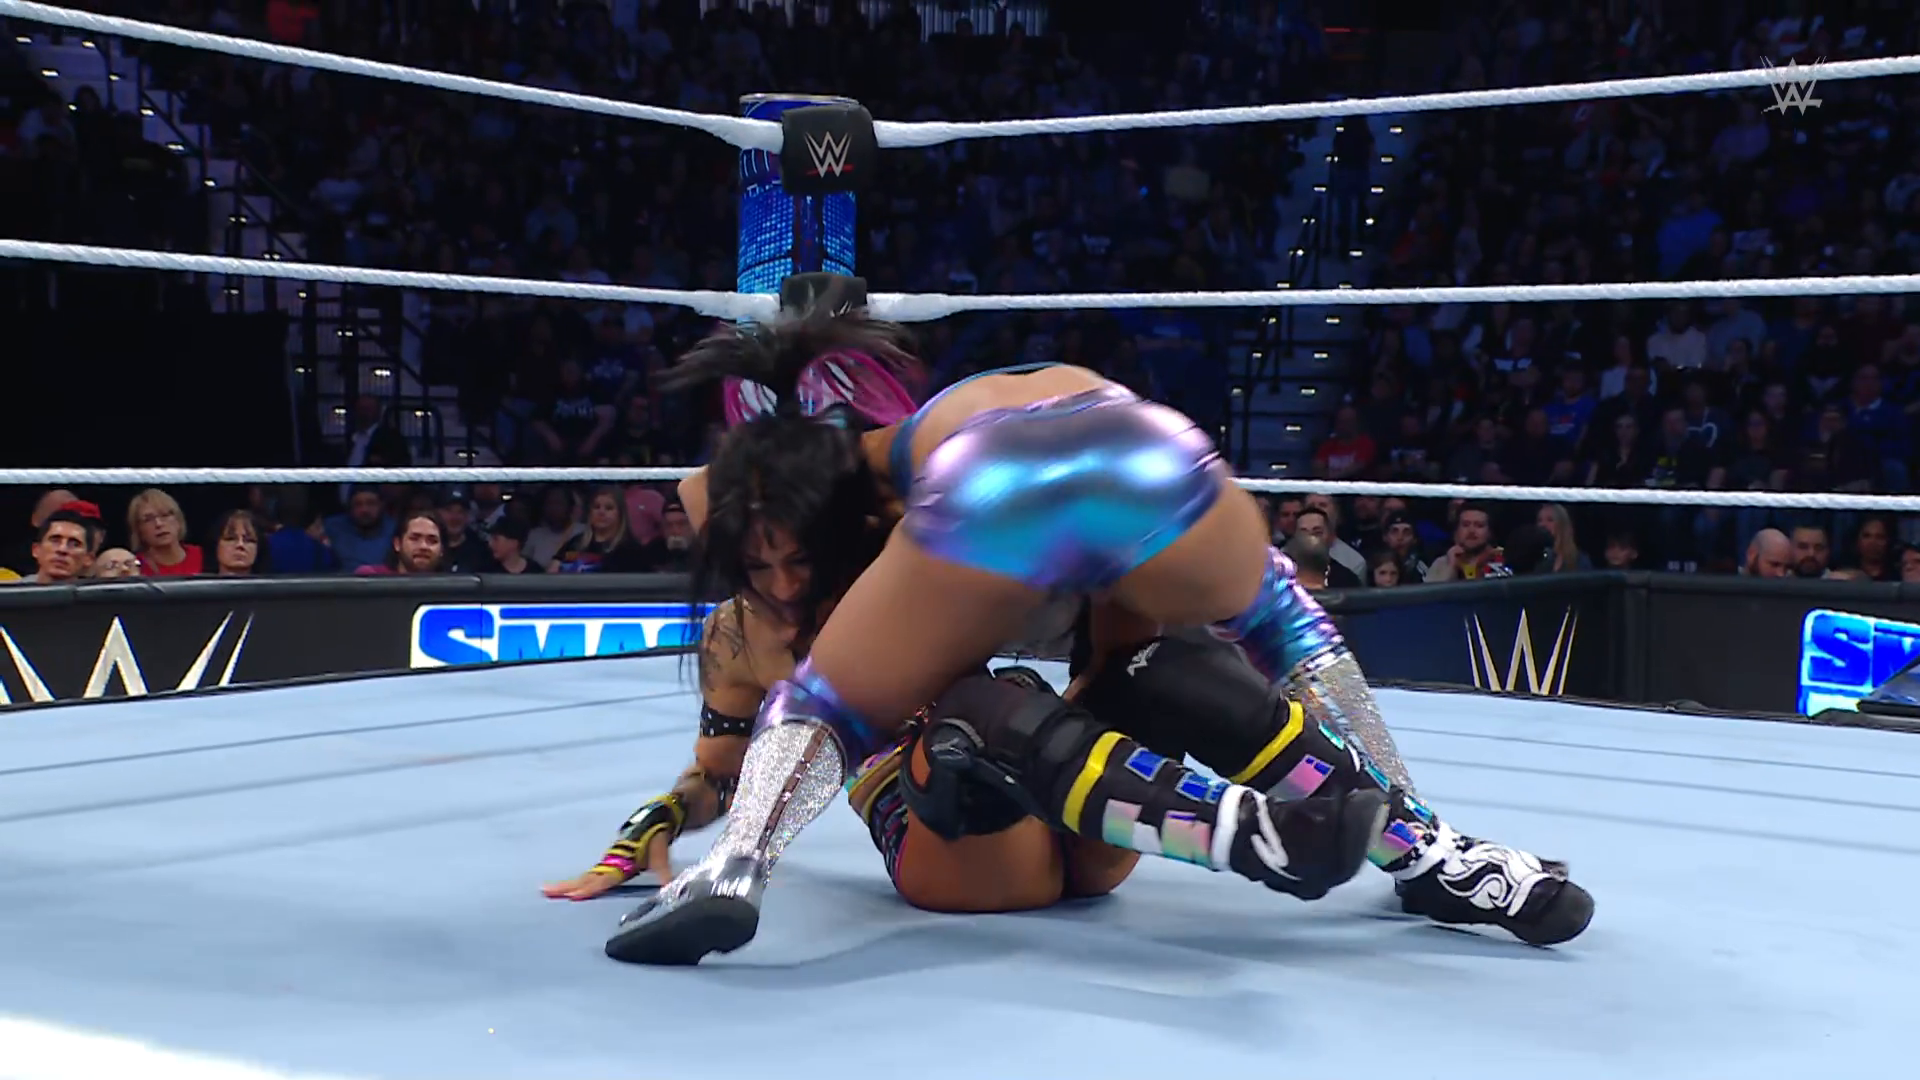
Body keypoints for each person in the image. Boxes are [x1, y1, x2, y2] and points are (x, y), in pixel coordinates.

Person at [612, 276, 1592, 965]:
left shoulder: (882, 508)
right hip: (1156, 450)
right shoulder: (773, 587)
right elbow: (717, 764)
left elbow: (722, 511)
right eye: (762, 564)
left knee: (915, 698)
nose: (782, 579)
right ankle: (1435, 854)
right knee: (1253, 635)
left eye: (791, 553)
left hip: (1051, 779)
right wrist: (650, 825)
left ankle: (735, 874)